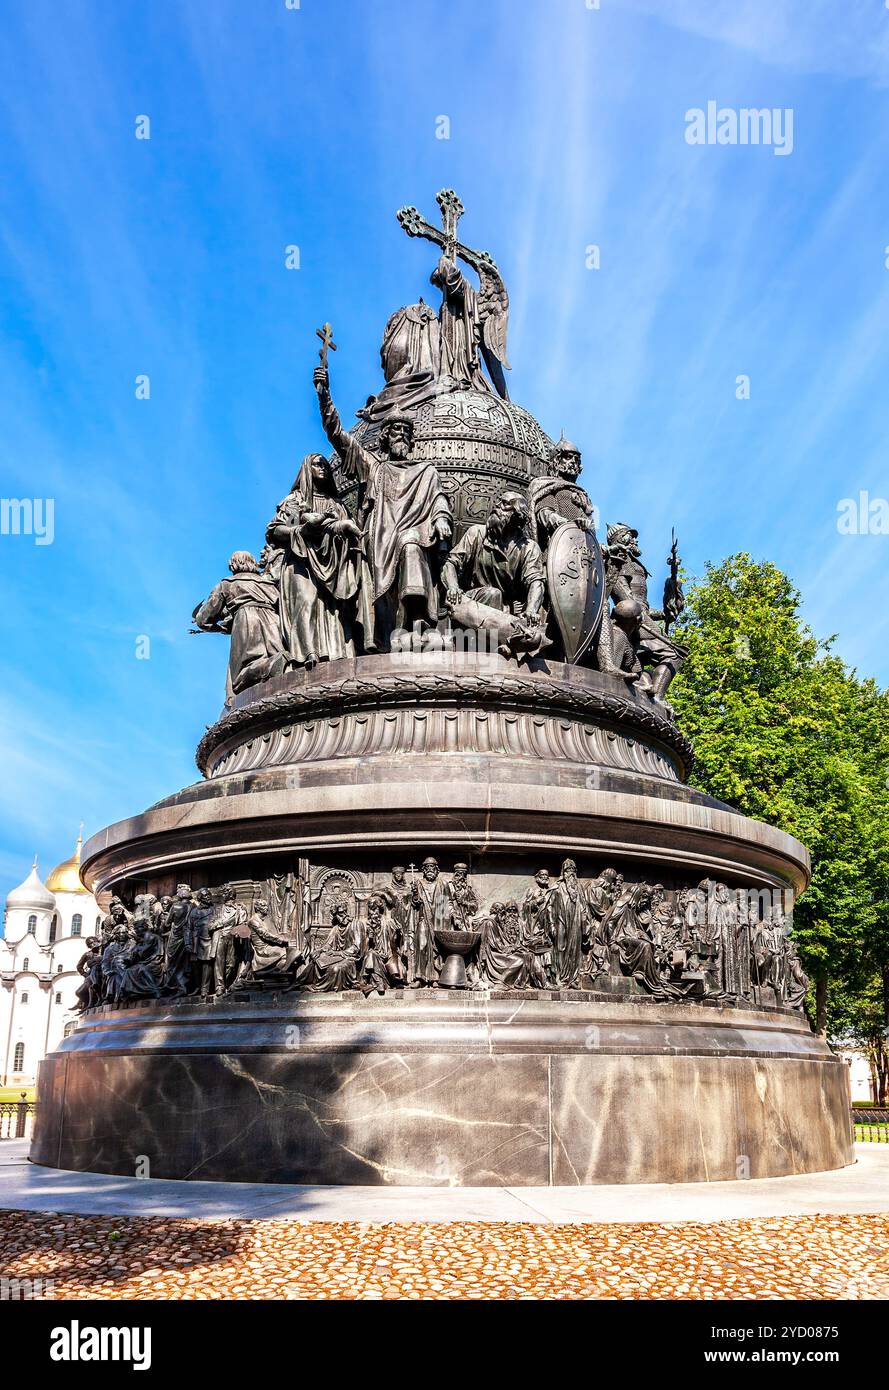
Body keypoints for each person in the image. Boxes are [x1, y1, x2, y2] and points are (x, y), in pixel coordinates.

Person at [315, 363, 452, 645]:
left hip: (413, 539)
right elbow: (338, 436)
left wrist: (441, 518)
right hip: (380, 541)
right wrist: (324, 395)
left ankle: (417, 625)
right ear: (384, 439)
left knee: (411, 542)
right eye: (394, 431)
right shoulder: (373, 467)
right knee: (406, 542)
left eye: (405, 431)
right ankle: (397, 631)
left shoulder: (425, 471)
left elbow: (438, 499)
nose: (400, 434)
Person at [265, 453, 372, 666]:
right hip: (301, 561)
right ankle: (306, 656)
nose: (322, 468)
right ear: (307, 469)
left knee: (334, 610)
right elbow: (275, 531)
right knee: (306, 602)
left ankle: (336, 656)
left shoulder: (337, 504)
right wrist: (301, 530)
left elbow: (346, 530)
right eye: (316, 464)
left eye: (325, 464)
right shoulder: (295, 501)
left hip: (332, 564)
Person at [192, 551, 287, 701]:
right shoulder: (268, 584)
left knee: (241, 674)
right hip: (274, 622)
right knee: (275, 654)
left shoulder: (227, 584)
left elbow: (203, 620)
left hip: (246, 621)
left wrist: (219, 628)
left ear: (234, 564)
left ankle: (266, 667)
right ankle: (276, 662)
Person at [548, 858, 587, 989]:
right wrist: (552, 924)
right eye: (568, 870)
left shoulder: (579, 888)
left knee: (575, 950)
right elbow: (550, 906)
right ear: (563, 872)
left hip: (575, 922)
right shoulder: (557, 888)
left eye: (573, 870)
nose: (571, 873)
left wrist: (584, 920)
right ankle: (559, 977)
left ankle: (573, 979)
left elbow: (583, 905)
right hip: (561, 921)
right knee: (560, 947)